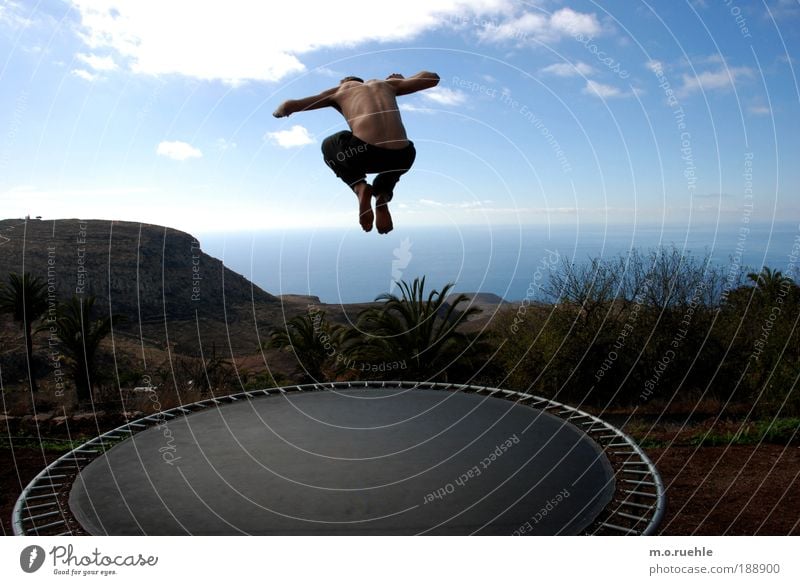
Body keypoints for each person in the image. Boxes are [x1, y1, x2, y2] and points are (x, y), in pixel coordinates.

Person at [273, 71, 440, 234]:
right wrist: (405, 79)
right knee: (392, 171)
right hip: (403, 156)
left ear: (344, 82)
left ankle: (359, 186)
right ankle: (382, 194)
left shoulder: (340, 90)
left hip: (364, 153)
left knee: (330, 143)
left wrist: (279, 112)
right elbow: (432, 78)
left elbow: (289, 105)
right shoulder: (386, 84)